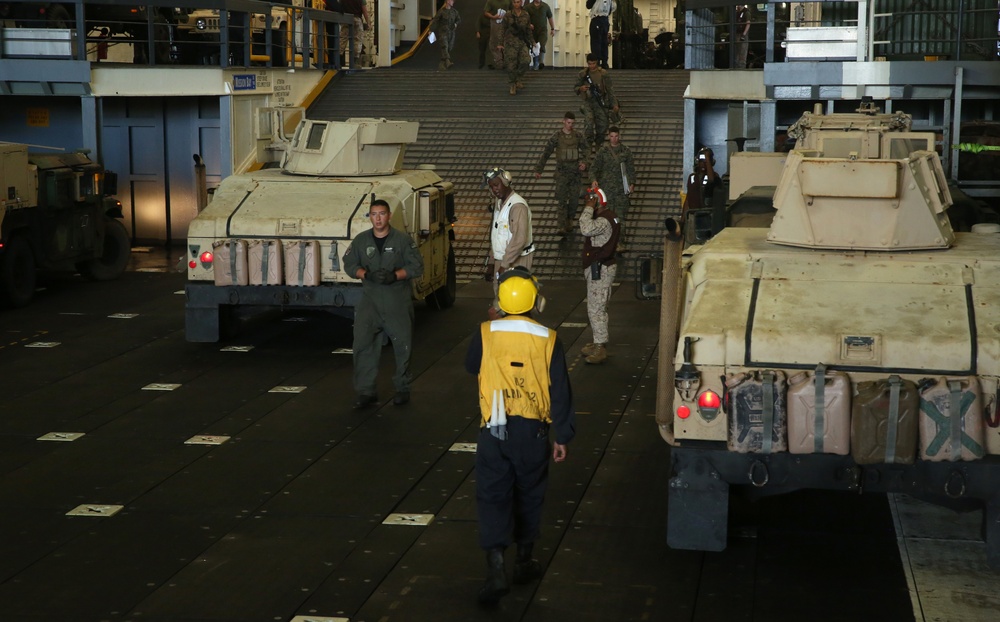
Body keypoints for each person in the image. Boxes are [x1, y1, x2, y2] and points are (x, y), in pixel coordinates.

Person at [464, 267, 576, 607]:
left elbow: (471, 366)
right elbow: (561, 392)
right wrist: (562, 435)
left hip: (494, 431)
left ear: (500, 301)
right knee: (529, 494)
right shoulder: (549, 338)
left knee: (493, 497)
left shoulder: (485, 332)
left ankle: (496, 569)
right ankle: (524, 562)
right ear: (535, 300)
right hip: (532, 433)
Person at [342, 199, 424, 409]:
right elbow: (349, 264)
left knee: (403, 345)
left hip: (396, 299)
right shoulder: (361, 240)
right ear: (370, 217)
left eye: (382, 214)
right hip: (370, 300)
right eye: (374, 214)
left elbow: (416, 266)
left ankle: (402, 388)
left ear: (389, 216)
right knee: (362, 345)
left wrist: (395, 275)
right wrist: (366, 274)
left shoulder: (402, 241)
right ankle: (366, 391)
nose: (378, 219)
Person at [579, 188, 620, 365]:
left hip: (601, 269)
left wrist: (589, 207)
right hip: (601, 267)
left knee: (596, 308)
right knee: (597, 306)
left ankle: (600, 347)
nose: (586, 203)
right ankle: (597, 341)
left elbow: (585, 228)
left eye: (589, 200)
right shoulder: (610, 216)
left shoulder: (603, 220)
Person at [534, 112, 589, 235]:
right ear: (563, 121)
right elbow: (546, 152)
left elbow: (586, 149)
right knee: (562, 200)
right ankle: (561, 225)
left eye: (572, 123)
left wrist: (584, 162)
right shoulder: (557, 137)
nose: (570, 125)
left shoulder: (578, 136)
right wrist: (539, 169)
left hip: (575, 173)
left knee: (574, 200)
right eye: (568, 122)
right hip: (562, 173)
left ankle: (570, 219)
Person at [485, 167, 534, 286]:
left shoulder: (517, 207)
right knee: (500, 293)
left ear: (506, 182)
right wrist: (492, 262)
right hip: (503, 260)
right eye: (491, 187)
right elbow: (497, 234)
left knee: (514, 295)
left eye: (496, 185)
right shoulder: (499, 203)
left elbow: (519, 240)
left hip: (516, 261)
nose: (494, 189)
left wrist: (504, 266)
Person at [589, 125, 635, 221]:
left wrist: (632, 183)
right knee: (606, 218)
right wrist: (593, 180)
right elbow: (594, 168)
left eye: (616, 136)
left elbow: (631, 169)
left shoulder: (626, 151)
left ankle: (619, 231)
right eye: (612, 136)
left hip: (621, 190)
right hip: (606, 190)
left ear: (619, 136)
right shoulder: (603, 151)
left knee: (620, 218)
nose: (614, 139)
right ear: (608, 136)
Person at [574, 53, 620, 151]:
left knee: (603, 125)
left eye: (594, 63)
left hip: (600, 102)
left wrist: (614, 104)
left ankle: (599, 143)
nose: (592, 66)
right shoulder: (583, 74)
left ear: (597, 62)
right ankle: (588, 146)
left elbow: (610, 90)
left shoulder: (603, 73)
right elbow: (576, 87)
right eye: (589, 64)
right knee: (589, 124)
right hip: (588, 103)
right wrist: (580, 88)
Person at [498, 0, 533, 95]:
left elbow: (528, 30)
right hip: (510, 43)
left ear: (521, 3)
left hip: (522, 42)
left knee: (526, 61)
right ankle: (512, 84)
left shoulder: (526, 14)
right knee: (511, 65)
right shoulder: (508, 15)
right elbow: (502, 29)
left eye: (518, 2)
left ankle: (518, 78)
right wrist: (500, 43)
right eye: (514, 2)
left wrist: (533, 42)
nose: (516, 4)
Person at [430, 0, 462, 70]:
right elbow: (435, 21)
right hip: (443, 32)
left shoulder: (454, 12)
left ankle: (442, 64)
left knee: (449, 48)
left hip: (451, 33)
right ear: (447, 1)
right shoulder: (441, 12)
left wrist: (456, 24)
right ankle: (447, 61)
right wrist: (431, 30)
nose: (453, 2)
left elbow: (459, 20)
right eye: (451, 0)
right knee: (444, 46)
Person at [525, 0, 554, 70]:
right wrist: (528, 24)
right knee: (534, 46)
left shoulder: (545, 6)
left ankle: (541, 61)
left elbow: (550, 17)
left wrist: (553, 28)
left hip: (542, 30)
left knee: (542, 44)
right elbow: (524, 18)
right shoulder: (528, 7)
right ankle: (536, 63)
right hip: (532, 31)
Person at [340, 0, 370, 68]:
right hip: (357, 19)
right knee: (357, 40)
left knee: (342, 39)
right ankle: (354, 62)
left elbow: (339, 6)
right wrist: (368, 23)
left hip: (345, 18)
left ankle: (338, 59)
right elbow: (365, 12)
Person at [484, 0, 512, 70]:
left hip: (506, 21)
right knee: (495, 41)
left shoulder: (508, 1)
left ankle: (507, 61)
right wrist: (493, 17)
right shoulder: (491, 1)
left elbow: (513, 10)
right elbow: (486, 12)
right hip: (495, 21)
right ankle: (499, 61)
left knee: (507, 40)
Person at [588, 0, 615, 69]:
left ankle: (596, 62)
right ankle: (604, 62)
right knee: (604, 42)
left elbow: (588, 5)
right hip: (605, 20)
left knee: (596, 42)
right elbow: (612, 8)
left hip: (596, 18)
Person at [735, 4, 751, 68]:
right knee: (737, 51)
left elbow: (748, 23)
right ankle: (736, 66)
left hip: (742, 34)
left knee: (742, 51)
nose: (737, 7)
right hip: (737, 33)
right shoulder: (737, 13)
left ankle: (741, 67)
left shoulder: (746, 13)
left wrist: (744, 34)